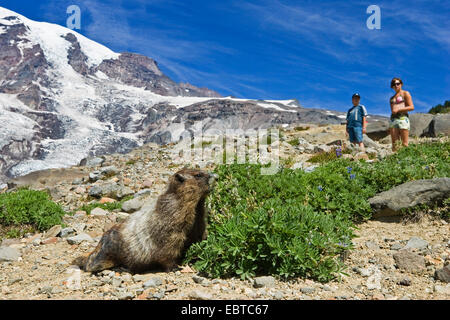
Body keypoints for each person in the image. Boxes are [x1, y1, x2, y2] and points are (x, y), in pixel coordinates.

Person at [389, 77, 414, 151]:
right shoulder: (391, 98)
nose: (396, 86)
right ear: (392, 86)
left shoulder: (405, 93)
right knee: (395, 143)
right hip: (393, 119)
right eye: (394, 84)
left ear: (401, 84)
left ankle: (406, 159)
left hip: (403, 118)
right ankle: (395, 160)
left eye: (397, 84)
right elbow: (392, 109)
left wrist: (399, 109)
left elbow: (411, 107)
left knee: (404, 143)